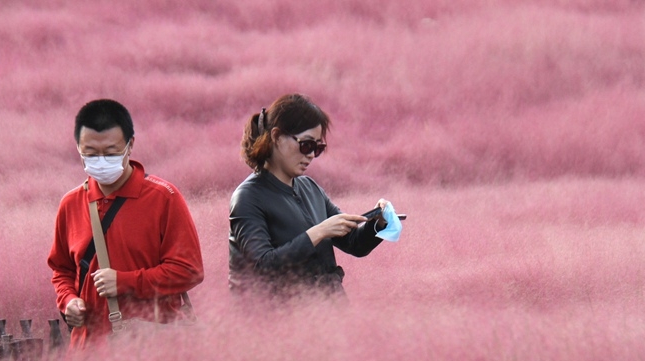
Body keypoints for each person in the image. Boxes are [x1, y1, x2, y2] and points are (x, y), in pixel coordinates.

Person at [48, 99, 204, 347]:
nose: (100, 161)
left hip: (149, 349)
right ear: (77, 147)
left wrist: (125, 282)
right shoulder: (70, 203)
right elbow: (62, 270)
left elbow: (189, 271)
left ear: (130, 145)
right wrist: (68, 301)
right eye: (89, 153)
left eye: (110, 153)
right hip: (87, 352)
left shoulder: (164, 198)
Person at [229, 93, 390, 299]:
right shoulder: (248, 197)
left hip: (326, 315)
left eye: (318, 148)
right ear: (277, 137)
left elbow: (354, 243)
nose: (311, 155)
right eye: (306, 145)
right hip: (280, 321)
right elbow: (262, 265)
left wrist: (378, 224)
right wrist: (318, 232)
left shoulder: (309, 187)